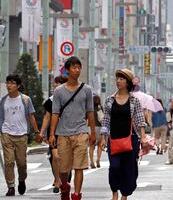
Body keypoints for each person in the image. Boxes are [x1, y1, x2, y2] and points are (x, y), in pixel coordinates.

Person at [48, 56, 96, 200]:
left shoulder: (86, 90)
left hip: (81, 131)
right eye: (74, 67)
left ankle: (76, 195)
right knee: (63, 169)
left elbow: (90, 112)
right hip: (63, 133)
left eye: (78, 67)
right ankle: (65, 186)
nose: (77, 70)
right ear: (67, 70)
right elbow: (55, 113)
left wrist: (92, 132)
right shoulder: (59, 91)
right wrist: (51, 134)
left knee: (79, 167)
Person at [100, 69, 148, 200]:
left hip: (131, 140)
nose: (118, 81)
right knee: (114, 166)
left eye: (121, 79)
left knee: (128, 168)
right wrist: (103, 138)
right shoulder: (110, 100)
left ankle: (124, 194)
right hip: (114, 139)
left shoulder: (134, 101)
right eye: (117, 79)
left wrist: (143, 137)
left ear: (127, 82)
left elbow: (140, 120)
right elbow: (106, 120)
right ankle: (114, 192)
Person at [0, 74, 41, 196]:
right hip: (6, 133)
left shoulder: (25, 100)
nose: (9, 85)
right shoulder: (3, 100)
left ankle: (21, 179)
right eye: (8, 83)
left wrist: (37, 131)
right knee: (8, 162)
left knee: (22, 163)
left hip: (21, 134)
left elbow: (31, 116)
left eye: (12, 83)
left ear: (18, 85)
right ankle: (11, 186)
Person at [39, 75, 68, 193]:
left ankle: (65, 176)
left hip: (68, 131)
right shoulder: (50, 100)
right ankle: (57, 181)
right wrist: (41, 133)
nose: (56, 85)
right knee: (55, 157)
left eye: (59, 83)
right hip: (54, 132)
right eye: (55, 83)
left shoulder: (70, 98)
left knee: (65, 158)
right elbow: (47, 117)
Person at [89, 95, 104, 169]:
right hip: (99, 128)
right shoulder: (100, 107)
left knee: (91, 146)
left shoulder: (89, 108)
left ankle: (91, 162)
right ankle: (98, 160)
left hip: (90, 128)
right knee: (99, 145)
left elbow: (86, 119)